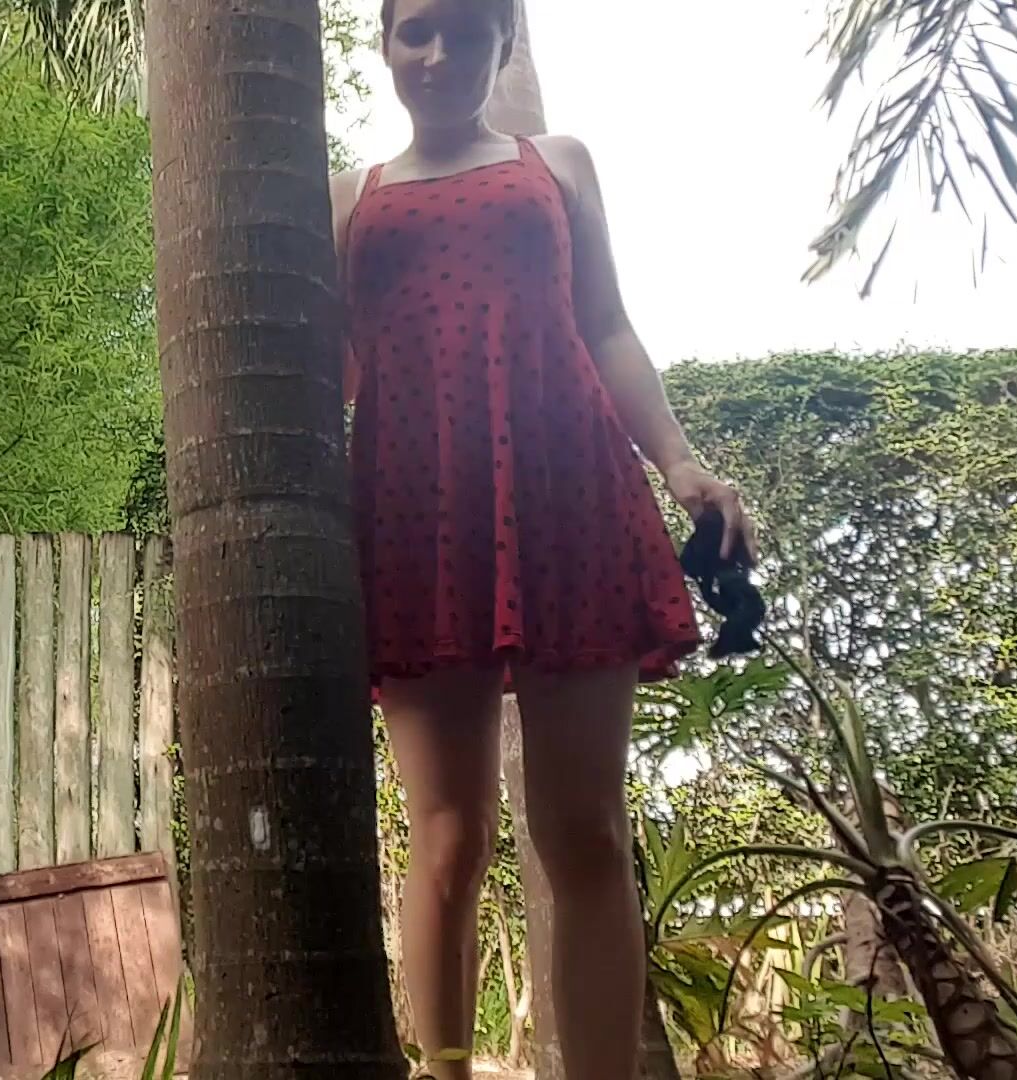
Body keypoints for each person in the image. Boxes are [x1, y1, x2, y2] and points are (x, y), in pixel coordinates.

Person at [330, 1, 759, 1078]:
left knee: (587, 833)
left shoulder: (558, 163)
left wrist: (682, 464)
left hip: (571, 500)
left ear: (503, 44)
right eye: (416, 31)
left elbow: (606, 325)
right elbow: (332, 373)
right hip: (418, 524)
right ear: (386, 45)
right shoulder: (348, 199)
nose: (439, 53)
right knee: (449, 835)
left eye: (466, 31)